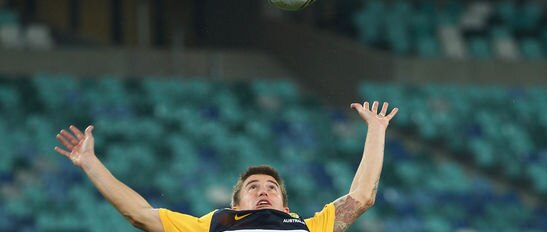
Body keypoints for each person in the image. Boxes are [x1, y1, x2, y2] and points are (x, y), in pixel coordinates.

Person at [55, 100, 398, 232]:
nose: (264, 190)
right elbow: (141, 215)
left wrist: (376, 130)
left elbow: (362, 196)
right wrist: (89, 163)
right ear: (235, 206)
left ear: (286, 206)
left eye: (271, 188)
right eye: (253, 187)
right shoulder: (216, 224)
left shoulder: (309, 228)